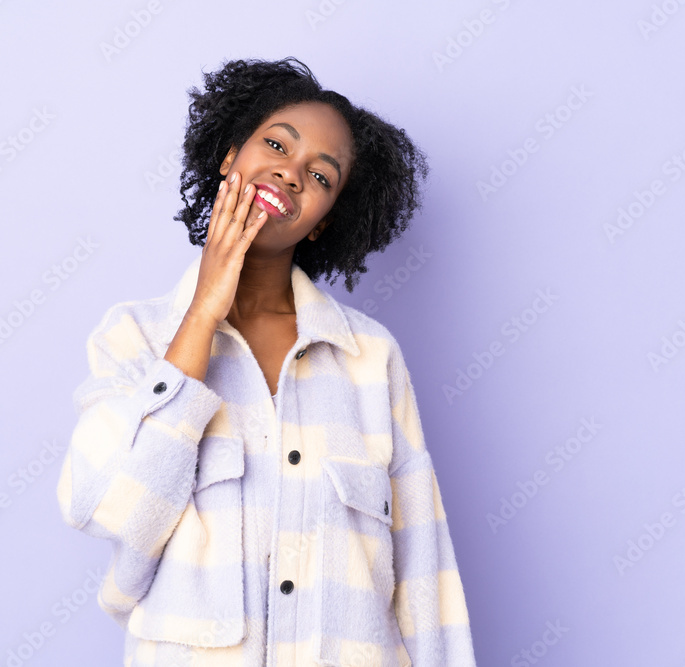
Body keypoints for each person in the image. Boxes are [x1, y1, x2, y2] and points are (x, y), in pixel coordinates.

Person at [56, 57, 477, 666]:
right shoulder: (134, 337)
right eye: (276, 143)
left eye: (322, 176)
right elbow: (108, 509)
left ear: (322, 222)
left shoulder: (370, 358)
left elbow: (424, 568)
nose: (290, 172)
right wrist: (202, 314)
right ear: (230, 157)